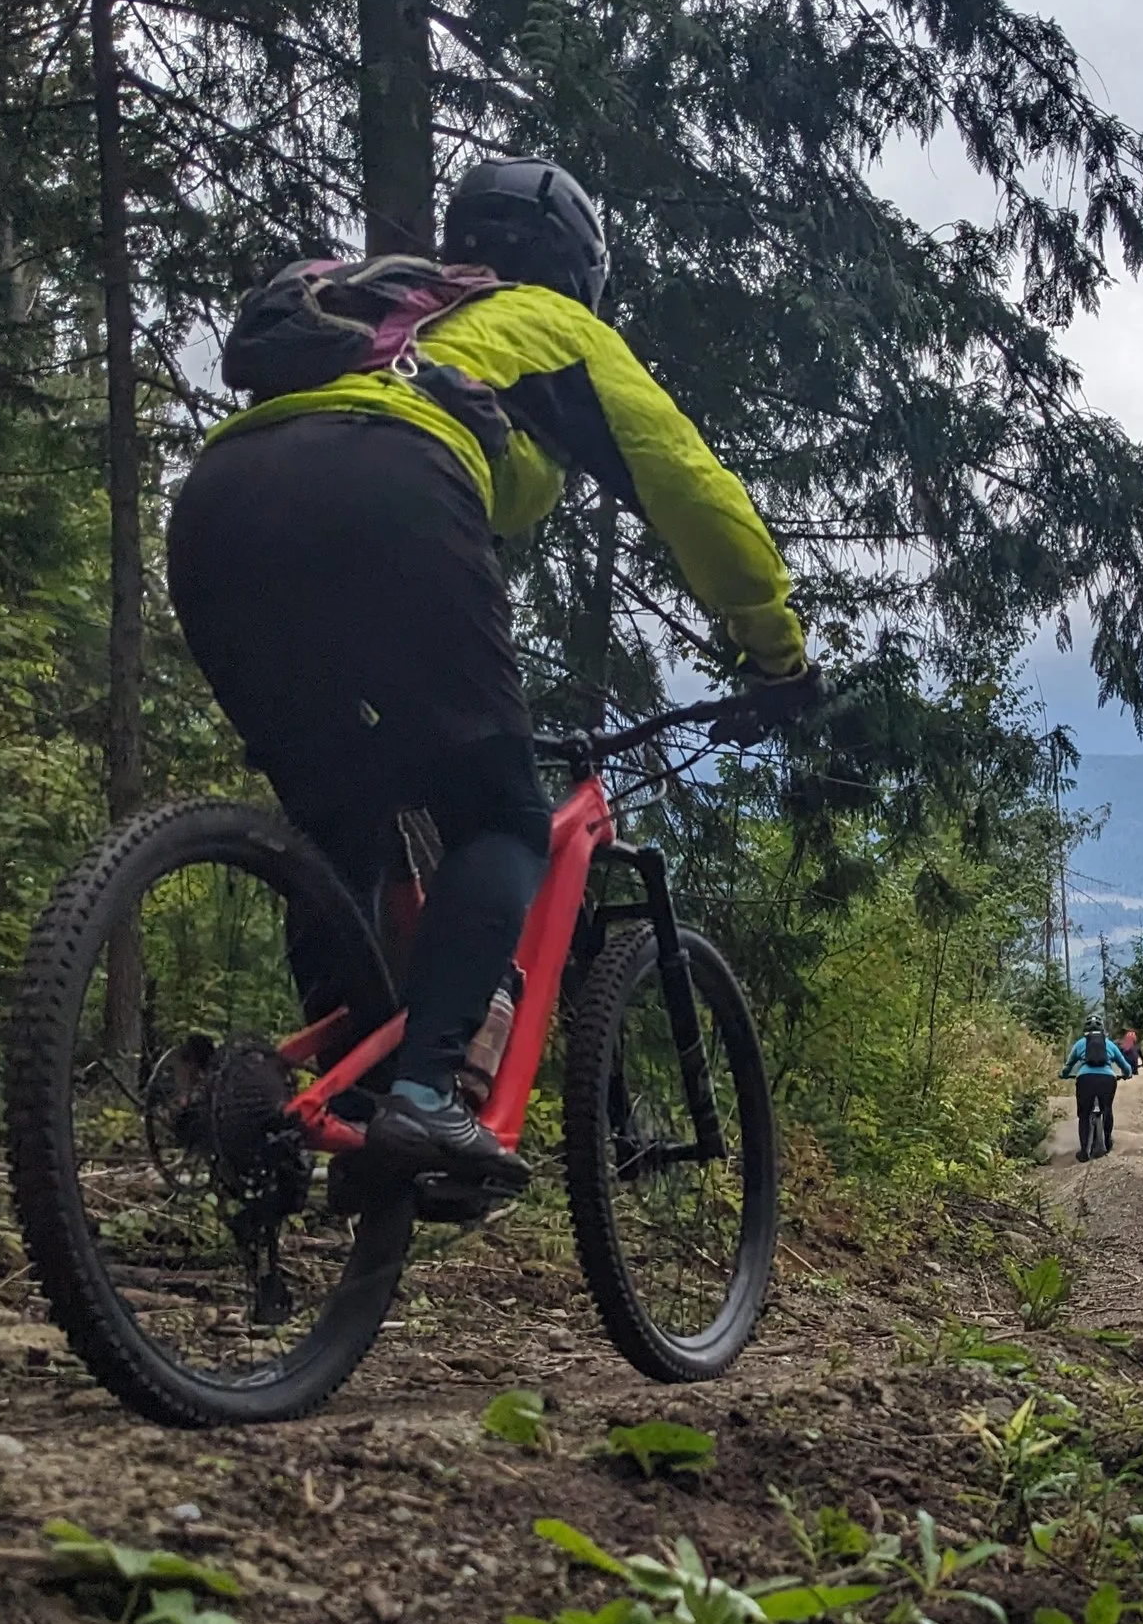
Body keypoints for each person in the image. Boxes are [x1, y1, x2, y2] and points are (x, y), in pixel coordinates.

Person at [166, 156, 817, 1193]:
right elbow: (694, 492)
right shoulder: (549, 327)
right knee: (502, 816)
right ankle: (425, 1097)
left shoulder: (377, 318)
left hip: (217, 508)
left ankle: (334, 1106)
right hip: (388, 487)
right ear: (578, 274)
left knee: (347, 834)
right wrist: (775, 653)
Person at [1061, 1019, 1134, 1160]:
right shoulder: (1110, 1044)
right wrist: (1128, 1074)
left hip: (1085, 1079)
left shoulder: (1080, 1044)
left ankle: (1083, 1152)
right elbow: (1124, 1065)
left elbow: (1069, 1065)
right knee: (1107, 1109)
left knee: (1084, 1115)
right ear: (1102, 1031)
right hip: (1107, 1080)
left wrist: (1063, 1074)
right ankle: (1107, 1142)